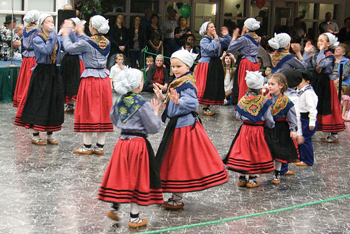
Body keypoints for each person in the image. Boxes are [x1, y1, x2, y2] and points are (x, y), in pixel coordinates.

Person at [153, 50, 228, 209]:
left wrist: (179, 102)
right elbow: (173, 100)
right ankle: (175, 196)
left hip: (183, 127)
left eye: (178, 66)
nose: (175, 69)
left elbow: (193, 103)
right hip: (177, 126)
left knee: (179, 161)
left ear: (188, 65)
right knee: (175, 160)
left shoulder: (187, 83)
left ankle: (177, 198)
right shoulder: (180, 81)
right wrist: (163, 97)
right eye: (173, 66)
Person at [98, 68, 163, 229]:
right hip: (138, 144)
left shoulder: (119, 101)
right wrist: (155, 113)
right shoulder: (143, 104)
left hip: (122, 143)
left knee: (121, 174)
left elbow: (113, 117)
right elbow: (154, 128)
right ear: (139, 85)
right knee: (136, 178)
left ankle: (114, 207)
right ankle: (134, 219)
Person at [61, 15, 113, 155]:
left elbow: (68, 47)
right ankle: (100, 147)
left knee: (88, 109)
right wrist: (81, 32)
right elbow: (88, 40)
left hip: (90, 79)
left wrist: (66, 33)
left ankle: (87, 146)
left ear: (93, 27)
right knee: (102, 111)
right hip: (103, 79)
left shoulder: (87, 43)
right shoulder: (107, 42)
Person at [14, 14, 64, 145]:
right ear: (41, 25)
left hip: (53, 71)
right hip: (42, 72)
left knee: (52, 101)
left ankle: (50, 134)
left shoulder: (55, 37)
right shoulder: (37, 39)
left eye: (52, 22)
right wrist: (54, 35)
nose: (51, 24)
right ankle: (35, 134)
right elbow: (47, 50)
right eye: (48, 22)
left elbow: (66, 48)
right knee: (38, 101)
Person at [224, 71, 275, 188]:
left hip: (245, 130)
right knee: (255, 152)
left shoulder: (243, 99)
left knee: (244, 151)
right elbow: (268, 119)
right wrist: (271, 126)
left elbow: (238, 116)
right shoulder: (264, 101)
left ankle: (241, 177)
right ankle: (252, 178)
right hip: (258, 131)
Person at [302, 33, 345, 142]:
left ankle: (333, 133)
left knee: (328, 106)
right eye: (318, 41)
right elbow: (306, 66)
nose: (319, 43)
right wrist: (306, 53)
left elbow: (320, 65)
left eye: (322, 41)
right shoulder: (316, 55)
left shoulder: (330, 56)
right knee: (313, 104)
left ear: (328, 44)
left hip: (326, 83)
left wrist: (321, 51)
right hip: (316, 82)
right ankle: (310, 129)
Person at [264, 73, 298, 184]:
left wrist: (293, 129)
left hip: (281, 128)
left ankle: (277, 173)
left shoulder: (286, 102)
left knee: (279, 152)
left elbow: (292, 116)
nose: (269, 86)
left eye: (272, 84)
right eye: (268, 84)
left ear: (281, 86)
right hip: (267, 127)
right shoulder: (265, 99)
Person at [195, 22, 231, 116]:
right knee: (205, 85)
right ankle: (201, 106)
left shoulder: (215, 38)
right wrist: (216, 38)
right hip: (206, 65)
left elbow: (227, 43)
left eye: (214, 26)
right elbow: (210, 49)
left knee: (211, 85)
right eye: (211, 27)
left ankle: (206, 105)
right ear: (206, 30)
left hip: (214, 64)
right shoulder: (204, 40)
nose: (214, 28)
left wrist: (226, 35)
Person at [227, 18, 260, 102]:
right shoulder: (257, 38)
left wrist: (234, 37)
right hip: (255, 62)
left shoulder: (244, 39)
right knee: (255, 84)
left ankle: (244, 103)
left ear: (247, 27)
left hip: (246, 62)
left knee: (244, 84)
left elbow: (231, 48)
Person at [12, 10, 40, 108]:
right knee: (31, 79)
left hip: (26, 58)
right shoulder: (37, 30)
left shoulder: (25, 30)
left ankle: (21, 99)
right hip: (34, 57)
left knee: (24, 79)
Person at [280, 69, 304, 176]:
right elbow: (296, 116)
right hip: (288, 125)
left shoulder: (280, 94)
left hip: (277, 123)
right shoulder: (295, 97)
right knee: (286, 147)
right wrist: (298, 133)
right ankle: (283, 169)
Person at [60, 17, 84, 113]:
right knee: (66, 82)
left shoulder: (80, 36)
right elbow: (63, 46)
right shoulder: (66, 35)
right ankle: (69, 104)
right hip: (67, 59)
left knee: (76, 83)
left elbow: (76, 44)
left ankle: (77, 104)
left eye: (72, 25)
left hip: (77, 60)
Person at [296, 70, 318, 166]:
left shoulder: (308, 92)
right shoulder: (300, 91)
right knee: (300, 138)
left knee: (305, 139)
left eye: (300, 81)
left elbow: (312, 108)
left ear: (307, 82)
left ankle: (308, 160)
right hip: (301, 118)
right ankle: (301, 157)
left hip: (307, 118)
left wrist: (312, 121)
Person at [161, 7, 178, 72]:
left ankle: (175, 74)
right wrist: (166, 31)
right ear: (169, 13)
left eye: (174, 13)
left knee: (175, 57)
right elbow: (160, 31)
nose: (172, 14)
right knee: (167, 58)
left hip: (175, 41)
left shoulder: (177, 22)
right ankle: (167, 73)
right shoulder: (164, 22)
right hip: (167, 40)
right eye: (171, 13)